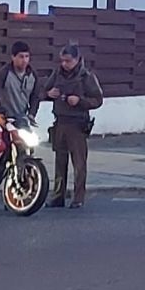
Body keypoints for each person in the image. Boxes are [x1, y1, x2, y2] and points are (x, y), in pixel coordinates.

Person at [43, 45, 104, 209]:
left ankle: (78, 198)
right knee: (59, 162)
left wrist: (80, 101)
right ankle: (58, 196)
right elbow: (44, 90)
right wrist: (49, 94)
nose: (64, 64)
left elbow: (97, 99)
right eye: (62, 60)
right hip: (60, 122)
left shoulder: (86, 77)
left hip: (77, 124)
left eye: (68, 61)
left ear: (77, 60)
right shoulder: (57, 73)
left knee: (79, 163)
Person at [0, 41, 40, 124]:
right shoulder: (4, 73)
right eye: (21, 57)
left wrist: (32, 114)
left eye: (27, 56)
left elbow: (35, 97)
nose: (24, 60)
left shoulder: (33, 75)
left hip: (22, 119)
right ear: (13, 57)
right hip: (3, 119)